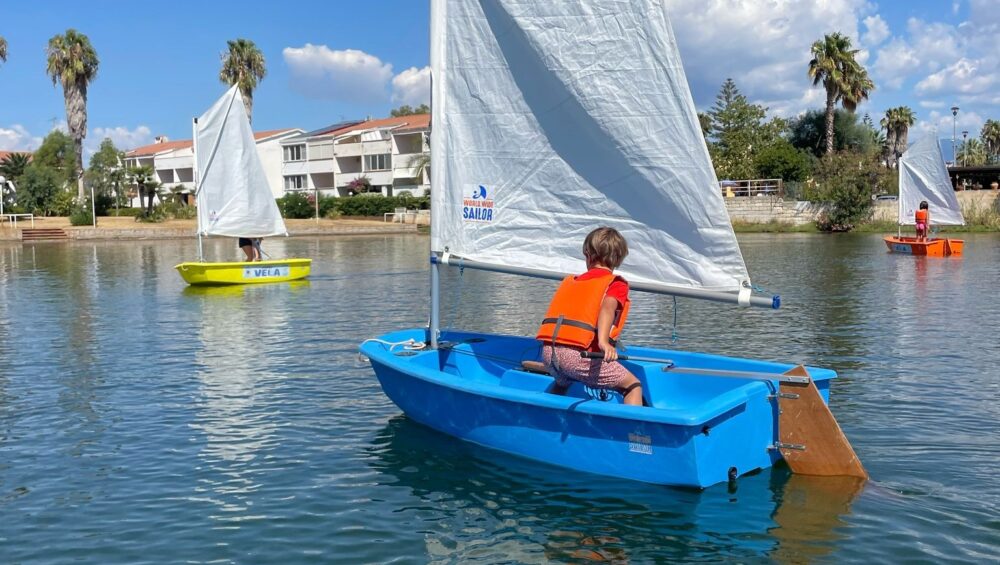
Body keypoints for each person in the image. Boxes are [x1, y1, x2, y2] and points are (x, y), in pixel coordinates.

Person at [536, 227, 644, 406]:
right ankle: (631, 431)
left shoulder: (575, 281)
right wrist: (603, 342)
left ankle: (545, 413)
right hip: (579, 357)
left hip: (549, 353)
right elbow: (607, 308)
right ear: (618, 259)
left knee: (563, 382)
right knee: (632, 386)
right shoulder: (615, 284)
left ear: (588, 254)